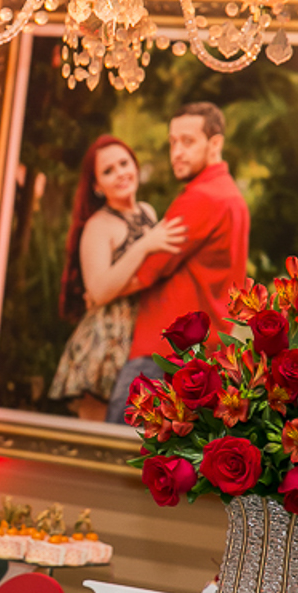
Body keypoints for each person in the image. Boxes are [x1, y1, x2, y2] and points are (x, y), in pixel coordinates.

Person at [105, 102, 250, 424]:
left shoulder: (202, 198)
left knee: (110, 446)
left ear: (215, 143)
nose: (177, 152)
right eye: (173, 142)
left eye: (188, 141)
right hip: (200, 359)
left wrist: (97, 291)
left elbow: (143, 273)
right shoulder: (232, 198)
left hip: (160, 355)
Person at [48, 136, 186, 420]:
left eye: (124, 163)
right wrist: (145, 245)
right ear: (97, 186)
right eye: (108, 171)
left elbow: (149, 274)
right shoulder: (98, 226)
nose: (121, 173)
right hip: (105, 341)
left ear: (135, 166)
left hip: (143, 334)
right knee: (99, 433)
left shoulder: (146, 211)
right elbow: (98, 291)